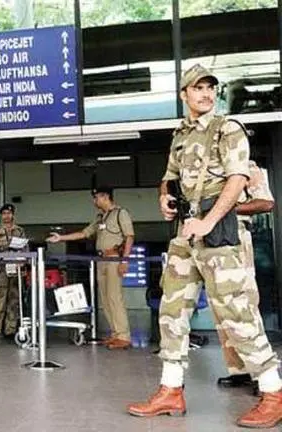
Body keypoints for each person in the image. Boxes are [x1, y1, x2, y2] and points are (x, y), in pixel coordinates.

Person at [126, 64, 282, 429]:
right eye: (198, 88)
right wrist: (165, 199)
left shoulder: (228, 128)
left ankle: (274, 392)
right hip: (186, 232)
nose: (206, 94)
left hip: (217, 231)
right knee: (172, 311)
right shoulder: (179, 134)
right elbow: (168, 180)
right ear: (184, 94)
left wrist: (209, 220)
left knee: (236, 312)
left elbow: (238, 178)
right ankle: (171, 390)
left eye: (211, 87)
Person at [47, 185, 134, 350]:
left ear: (105, 196)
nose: (94, 201)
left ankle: (124, 336)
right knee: (105, 299)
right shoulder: (101, 217)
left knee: (115, 297)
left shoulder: (120, 213)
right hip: (101, 259)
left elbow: (129, 237)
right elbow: (84, 233)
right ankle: (115, 333)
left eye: (96, 198)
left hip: (115, 257)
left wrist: (125, 260)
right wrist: (61, 238)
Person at [215, 160, 275, 394]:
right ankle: (239, 369)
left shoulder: (246, 166)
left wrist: (225, 207)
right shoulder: (206, 168)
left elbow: (266, 202)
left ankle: (263, 374)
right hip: (211, 239)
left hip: (237, 237)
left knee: (245, 305)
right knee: (221, 308)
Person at [0, 203, 27, 339]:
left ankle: (10, 328)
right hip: (2, 268)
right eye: (4, 213)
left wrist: (23, 263)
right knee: (1, 298)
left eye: (9, 213)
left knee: (14, 299)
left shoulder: (20, 231)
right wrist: (1, 248)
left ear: (13, 214)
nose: (6, 216)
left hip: (16, 267)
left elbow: (25, 249)